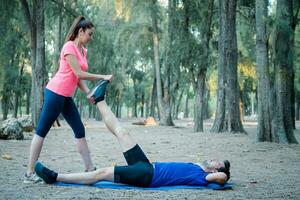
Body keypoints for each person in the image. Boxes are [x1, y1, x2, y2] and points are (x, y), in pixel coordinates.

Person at [34, 84, 230, 187]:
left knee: (101, 173)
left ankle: (56, 177)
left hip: (146, 176)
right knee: (122, 132)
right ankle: (99, 99)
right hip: (148, 165)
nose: (212, 160)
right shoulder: (197, 167)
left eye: (215, 162)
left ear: (214, 171)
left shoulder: (205, 178)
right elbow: (217, 171)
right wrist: (212, 168)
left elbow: (222, 178)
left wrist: (218, 172)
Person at [24, 16, 113, 183]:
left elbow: (76, 77)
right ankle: (29, 173)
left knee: (79, 130)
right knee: (42, 130)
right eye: (89, 34)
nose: (91, 38)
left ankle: (89, 169)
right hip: (55, 92)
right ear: (80, 32)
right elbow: (79, 73)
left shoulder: (83, 51)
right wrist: (103, 76)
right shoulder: (69, 47)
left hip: (66, 96)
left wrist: (88, 92)